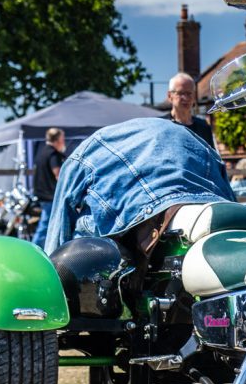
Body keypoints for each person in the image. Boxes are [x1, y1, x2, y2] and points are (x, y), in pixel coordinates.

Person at [44, 117, 235, 255]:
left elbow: (62, 208)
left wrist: (53, 270)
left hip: (140, 214)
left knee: (82, 228)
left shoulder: (97, 142)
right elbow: (229, 197)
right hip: (211, 208)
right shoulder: (194, 139)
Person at [32, 127, 66, 248]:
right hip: (50, 196)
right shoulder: (53, 154)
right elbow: (59, 175)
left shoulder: (42, 152)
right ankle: (34, 251)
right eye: (63, 139)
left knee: (46, 225)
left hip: (41, 194)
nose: (64, 142)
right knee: (46, 226)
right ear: (57, 140)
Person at [164, 72, 214, 148]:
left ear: (194, 95)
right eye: (181, 93)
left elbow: (210, 158)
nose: (186, 98)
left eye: (189, 93)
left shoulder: (204, 127)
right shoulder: (162, 125)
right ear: (169, 96)